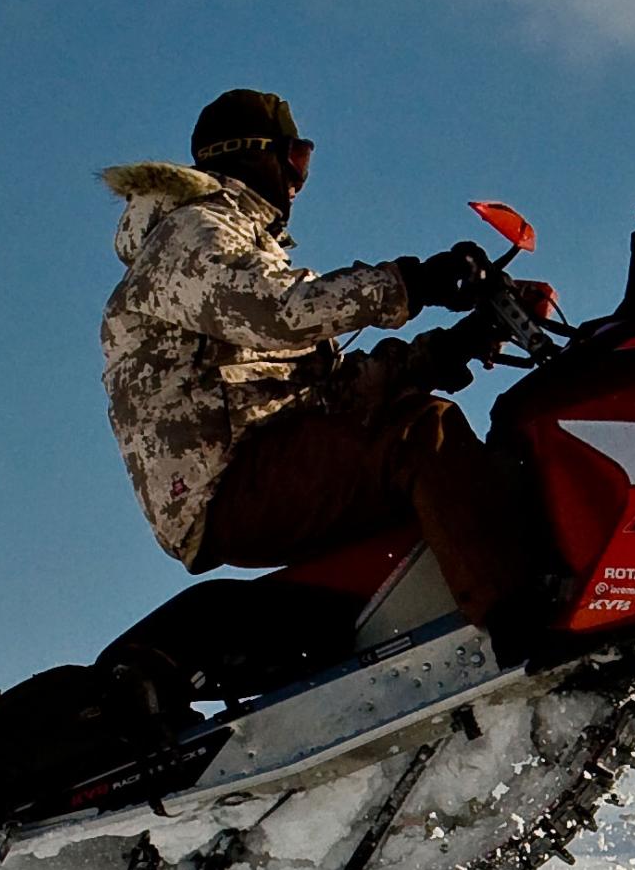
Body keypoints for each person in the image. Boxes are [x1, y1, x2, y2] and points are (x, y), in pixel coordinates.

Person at [100, 88, 544, 635]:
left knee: (454, 449)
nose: (299, 179)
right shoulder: (188, 236)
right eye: (297, 155)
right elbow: (282, 311)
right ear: (250, 152)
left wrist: (455, 345)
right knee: (419, 432)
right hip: (226, 484)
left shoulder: (237, 248)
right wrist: (415, 281)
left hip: (274, 458)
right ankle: (523, 629)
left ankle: (437, 635)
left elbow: (334, 393)